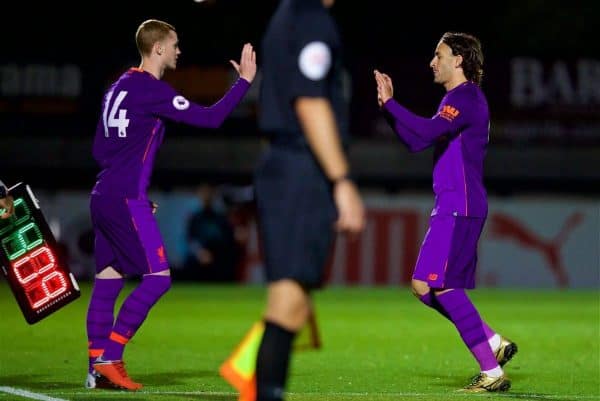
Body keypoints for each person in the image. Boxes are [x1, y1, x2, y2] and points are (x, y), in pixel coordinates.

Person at [85, 19, 256, 390]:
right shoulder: (150, 89)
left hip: (103, 195)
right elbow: (211, 118)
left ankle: (94, 370)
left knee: (107, 283)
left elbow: (100, 149)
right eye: (175, 44)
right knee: (158, 279)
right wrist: (243, 82)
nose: (179, 51)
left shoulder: (117, 87)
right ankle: (110, 358)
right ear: (158, 48)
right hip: (125, 197)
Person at [220, 1, 365, 400]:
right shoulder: (312, 19)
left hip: (288, 165)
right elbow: (310, 101)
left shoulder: (286, 14)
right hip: (301, 167)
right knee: (288, 303)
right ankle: (254, 384)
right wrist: (342, 180)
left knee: (294, 306)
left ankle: (250, 378)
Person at [374, 32, 517, 392]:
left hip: (461, 205)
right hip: (451, 205)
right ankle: (492, 342)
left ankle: (492, 371)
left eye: (438, 55)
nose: (431, 62)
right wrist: (388, 111)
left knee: (445, 287)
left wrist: (392, 104)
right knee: (423, 286)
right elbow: (417, 141)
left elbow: (426, 129)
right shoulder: (455, 100)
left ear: (459, 59)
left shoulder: (466, 97)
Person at [183, 184, 239, 282]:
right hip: (199, 260)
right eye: (204, 193)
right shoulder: (195, 218)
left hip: (219, 260)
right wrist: (200, 252)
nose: (207, 196)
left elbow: (228, 238)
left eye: (209, 193)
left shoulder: (220, 217)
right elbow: (190, 239)